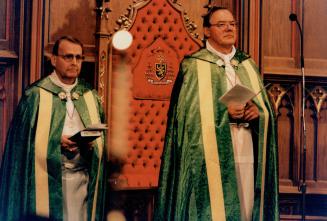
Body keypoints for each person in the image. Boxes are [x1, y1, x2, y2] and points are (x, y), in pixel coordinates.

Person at [154, 6, 279, 221]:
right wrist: (224, 112)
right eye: (221, 25)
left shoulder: (248, 64)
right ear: (206, 31)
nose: (229, 28)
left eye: (232, 24)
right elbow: (186, 118)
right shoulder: (194, 65)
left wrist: (258, 114)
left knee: (246, 202)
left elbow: (266, 110)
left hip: (246, 145)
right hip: (208, 155)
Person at [0, 36, 106, 221]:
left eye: (79, 57)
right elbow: (21, 149)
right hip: (48, 181)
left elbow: (100, 146)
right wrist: (55, 142)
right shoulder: (35, 96)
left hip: (82, 182)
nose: (74, 62)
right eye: (68, 57)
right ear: (54, 59)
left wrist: (89, 147)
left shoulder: (91, 96)